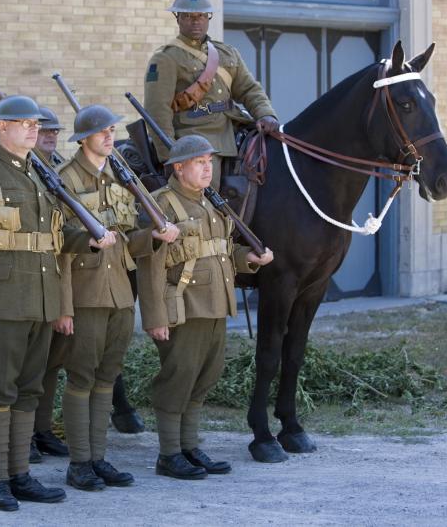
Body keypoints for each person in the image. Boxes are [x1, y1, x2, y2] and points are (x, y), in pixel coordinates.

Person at [0, 95, 116, 512]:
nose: (32, 129)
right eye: (22, 123)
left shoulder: (40, 176)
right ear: (1, 128)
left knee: (28, 391)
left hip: (41, 301)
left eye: (35, 123)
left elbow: (50, 241)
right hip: (0, 302)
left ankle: (21, 474)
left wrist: (87, 241)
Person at [55, 104, 180, 492]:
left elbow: (128, 238)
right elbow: (56, 247)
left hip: (120, 295)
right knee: (82, 376)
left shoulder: (121, 178)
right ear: (83, 139)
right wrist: (62, 307)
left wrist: (154, 237)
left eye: (112, 131)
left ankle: (98, 458)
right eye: (102, 132)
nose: (110, 137)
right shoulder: (65, 180)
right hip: (84, 293)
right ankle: (79, 463)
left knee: (107, 375)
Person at [136, 135, 273, 479]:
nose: (207, 168)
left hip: (215, 304)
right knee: (178, 377)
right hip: (182, 305)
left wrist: (250, 259)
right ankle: (169, 453)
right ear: (179, 168)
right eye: (199, 162)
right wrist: (154, 317)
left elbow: (221, 251)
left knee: (204, 376)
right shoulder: (161, 205)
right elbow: (149, 265)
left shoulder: (212, 204)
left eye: (209, 162)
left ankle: (189, 447)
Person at [143, 0, 279, 188]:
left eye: (201, 16)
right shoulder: (165, 58)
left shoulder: (227, 53)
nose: (196, 21)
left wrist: (266, 114)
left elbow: (249, 89)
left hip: (231, 127)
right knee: (205, 184)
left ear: (208, 18)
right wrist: (171, 156)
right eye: (189, 16)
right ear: (178, 18)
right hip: (193, 134)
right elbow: (157, 111)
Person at [30, 105, 71, 463]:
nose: (50, 135)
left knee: (52, 361)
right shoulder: (21, 171)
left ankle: (41, 429)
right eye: (44, 130)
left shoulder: (60, 171)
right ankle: (20, 434)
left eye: (55, 131)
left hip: (61, 274)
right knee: (26, 364)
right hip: (30, 275)